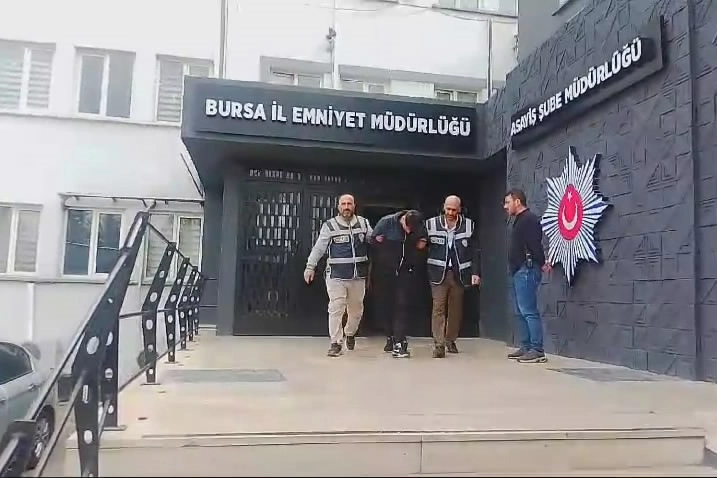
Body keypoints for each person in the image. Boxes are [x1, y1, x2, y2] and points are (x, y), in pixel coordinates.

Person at [304, 194, 372, 357]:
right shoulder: (330, 225)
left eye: (349, 203)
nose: (346, 207)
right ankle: (335, 343)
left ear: (354, 206)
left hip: (358, 275)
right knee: (336, 308)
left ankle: (350, 333)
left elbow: (374, 240)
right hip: (336, 275)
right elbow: (319, 247)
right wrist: (310, 266)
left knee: (356, 310)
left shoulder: (363, 223)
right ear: (338, 207)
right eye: (343, 204)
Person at [425, 195, 481, 358]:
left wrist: (475, 272)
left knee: (456, 309)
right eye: (448, 209)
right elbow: (423, 245)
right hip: (437, 273)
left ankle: (450, 340)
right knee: (438, 308)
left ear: (459, 209)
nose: (450, 212)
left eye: (454, 210)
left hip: (459, 274)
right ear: (443, 207)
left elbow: (475, 251)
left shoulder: (468, 225)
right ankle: (439, 344)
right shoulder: (431, 224)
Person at [368, 209, 427, 359]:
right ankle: (390, 336)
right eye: (407, 227)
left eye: (412, 230)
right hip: (385, 272)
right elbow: (371, 241)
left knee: (402, 305)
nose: (409, 231)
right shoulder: (386, 222)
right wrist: (378, 242)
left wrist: (422, 243)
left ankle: (400, 341)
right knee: (385, 305)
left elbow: (424, 242)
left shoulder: (419, 225)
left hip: (404, 272)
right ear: (403, 220)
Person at [503, 188, 551, 364]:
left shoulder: (529, 219)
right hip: (518, 270)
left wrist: (542, 262)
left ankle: (537, 349)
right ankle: (526, 346)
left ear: (517, 202)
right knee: (520, 311)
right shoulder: (519, 220)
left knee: (528, 310)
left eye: (507, 202)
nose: (505, 206)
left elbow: (535, 244)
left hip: (527, 269)